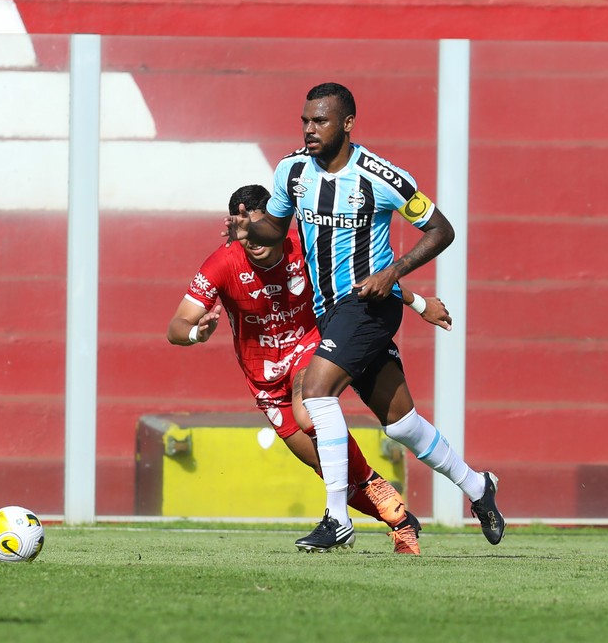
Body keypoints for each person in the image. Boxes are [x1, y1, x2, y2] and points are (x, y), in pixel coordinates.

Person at [224, 82, 505, 552]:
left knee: (315, 392)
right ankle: (478, 488)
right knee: (401, 424)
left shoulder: (381, 176)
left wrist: (393, 272)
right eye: (305, 121)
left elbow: (441, 229)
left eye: (321, 121)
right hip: (331, 310)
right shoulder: (292, 172)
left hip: (370, 305)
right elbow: (276, 226)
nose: (310, 130)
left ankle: (337, 518)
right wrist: (248, 227)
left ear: (348, 123)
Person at [169, 183, 452, 554]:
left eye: (259, 227)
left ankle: (347, 521)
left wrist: (417, 303)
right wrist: (196, 332)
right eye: (244, 230)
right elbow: (176, 326)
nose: (252, 239)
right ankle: (399, 520)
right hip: (264, 381)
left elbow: (365, 281)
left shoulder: (305, 246)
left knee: (309, 414)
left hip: (310, 349)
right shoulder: (222, 263)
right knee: (332, 470)